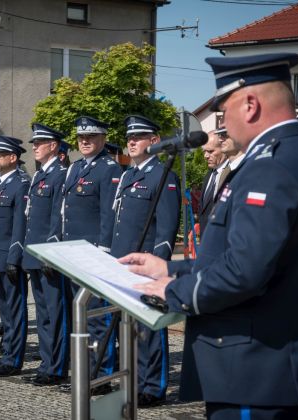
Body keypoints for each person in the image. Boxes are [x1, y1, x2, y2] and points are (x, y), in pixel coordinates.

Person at [125, 53, 298, 418]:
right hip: (274, 368)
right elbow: (256, 256)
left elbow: (244, 272)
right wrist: (172, 269)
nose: (220, 125)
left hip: (257, 371)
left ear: (250, 105)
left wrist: (172, 292)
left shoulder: (270, 166)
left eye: (223, 113)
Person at [111, 115, 181, 407]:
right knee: (128, 328)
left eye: (138, 136)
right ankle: (135, 382)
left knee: (149, 329)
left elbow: (166, 230)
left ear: (154, 141)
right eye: (129, 137)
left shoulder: (163, 175)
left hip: (146, 266)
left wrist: (159, 269)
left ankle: (153, 386)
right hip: (121, 262)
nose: (131, 141)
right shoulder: (128, 174)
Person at [58, 116, 122, 390]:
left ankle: (100, 374)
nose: (85, 141)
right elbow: (67, 212)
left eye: (91, 137)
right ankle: (84, 371)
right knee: (79, 317)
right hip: (73, 252)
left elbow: (109, 213)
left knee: (97, 318)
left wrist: (104, 251)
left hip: (94, 253)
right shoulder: (73, 168)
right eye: (81, 138)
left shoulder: (108, 168)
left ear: (103, 139)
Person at [22, 123, 70, 386]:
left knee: (55, 312)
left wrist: (52, 252)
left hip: (48, 254)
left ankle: (56, 367)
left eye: (39, 143)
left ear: (53, 146)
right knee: (42, 313)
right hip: (34, 252)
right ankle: (46, 362)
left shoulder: (60, 175)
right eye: (34, 143)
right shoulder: (39, 176)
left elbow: (57, 217)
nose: (34, 147)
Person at [0, 136, 30, 377]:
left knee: (14, 310)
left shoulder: (20, 184)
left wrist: (14, 256)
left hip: (9, 256)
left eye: (0, 155)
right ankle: (7, 353)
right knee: (5, 312)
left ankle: (13, 359)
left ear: (13, 158)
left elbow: (19, 225)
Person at [198, 130, 226, 233]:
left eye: (210, 151)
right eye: (204, 151)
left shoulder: (232, 173)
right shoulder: (210, 174)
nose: (205, 156)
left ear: (223, 148)